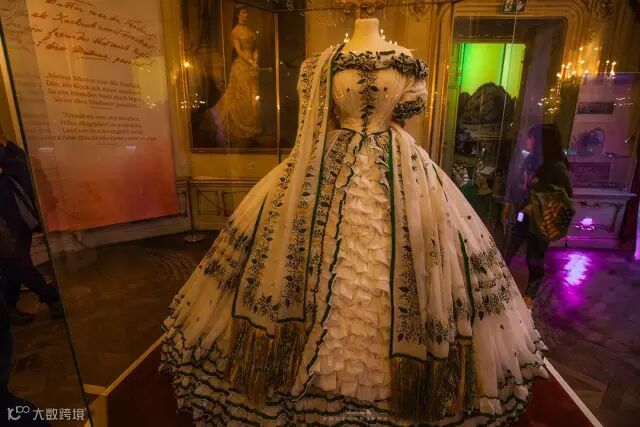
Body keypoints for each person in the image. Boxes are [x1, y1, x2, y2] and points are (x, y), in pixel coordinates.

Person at [161, 18, 548, 425]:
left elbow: (408, 109)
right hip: (329, 160)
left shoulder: (405, 61)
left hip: (400, 169)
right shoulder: (323, 63)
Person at [503, 124, 573, 305]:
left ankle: (530, 297)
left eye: (531, 137)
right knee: (508, 247)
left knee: (534, 258)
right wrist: (509, 202)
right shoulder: (530, 160)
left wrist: (535, 205)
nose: (527, 140)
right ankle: (496, 281)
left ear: (541, 141)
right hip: (521, 215)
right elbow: (518, 183)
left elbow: (565, 196)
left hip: (541, 221)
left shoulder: (556, 167)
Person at [0, 133, 62, 324]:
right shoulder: (7, 154)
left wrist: (5, 144)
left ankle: (9, 308)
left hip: (19, 217)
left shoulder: (10, 150)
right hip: (6, 221)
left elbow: (24, 167)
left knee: (13, 265)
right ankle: (51, 297)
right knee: (18, 262)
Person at [210, 4, 262, 145]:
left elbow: (255, 48)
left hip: (252, 68)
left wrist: (256, 60)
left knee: (252, 97)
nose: (246, 15)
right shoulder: (235, 31)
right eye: (243, 13)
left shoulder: (250, 31)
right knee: (241, 96)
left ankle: (251, 129)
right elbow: (239, 51)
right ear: (238, 15)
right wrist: (251, 61)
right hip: (241, 67)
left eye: (246, 13)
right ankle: (240, 128)